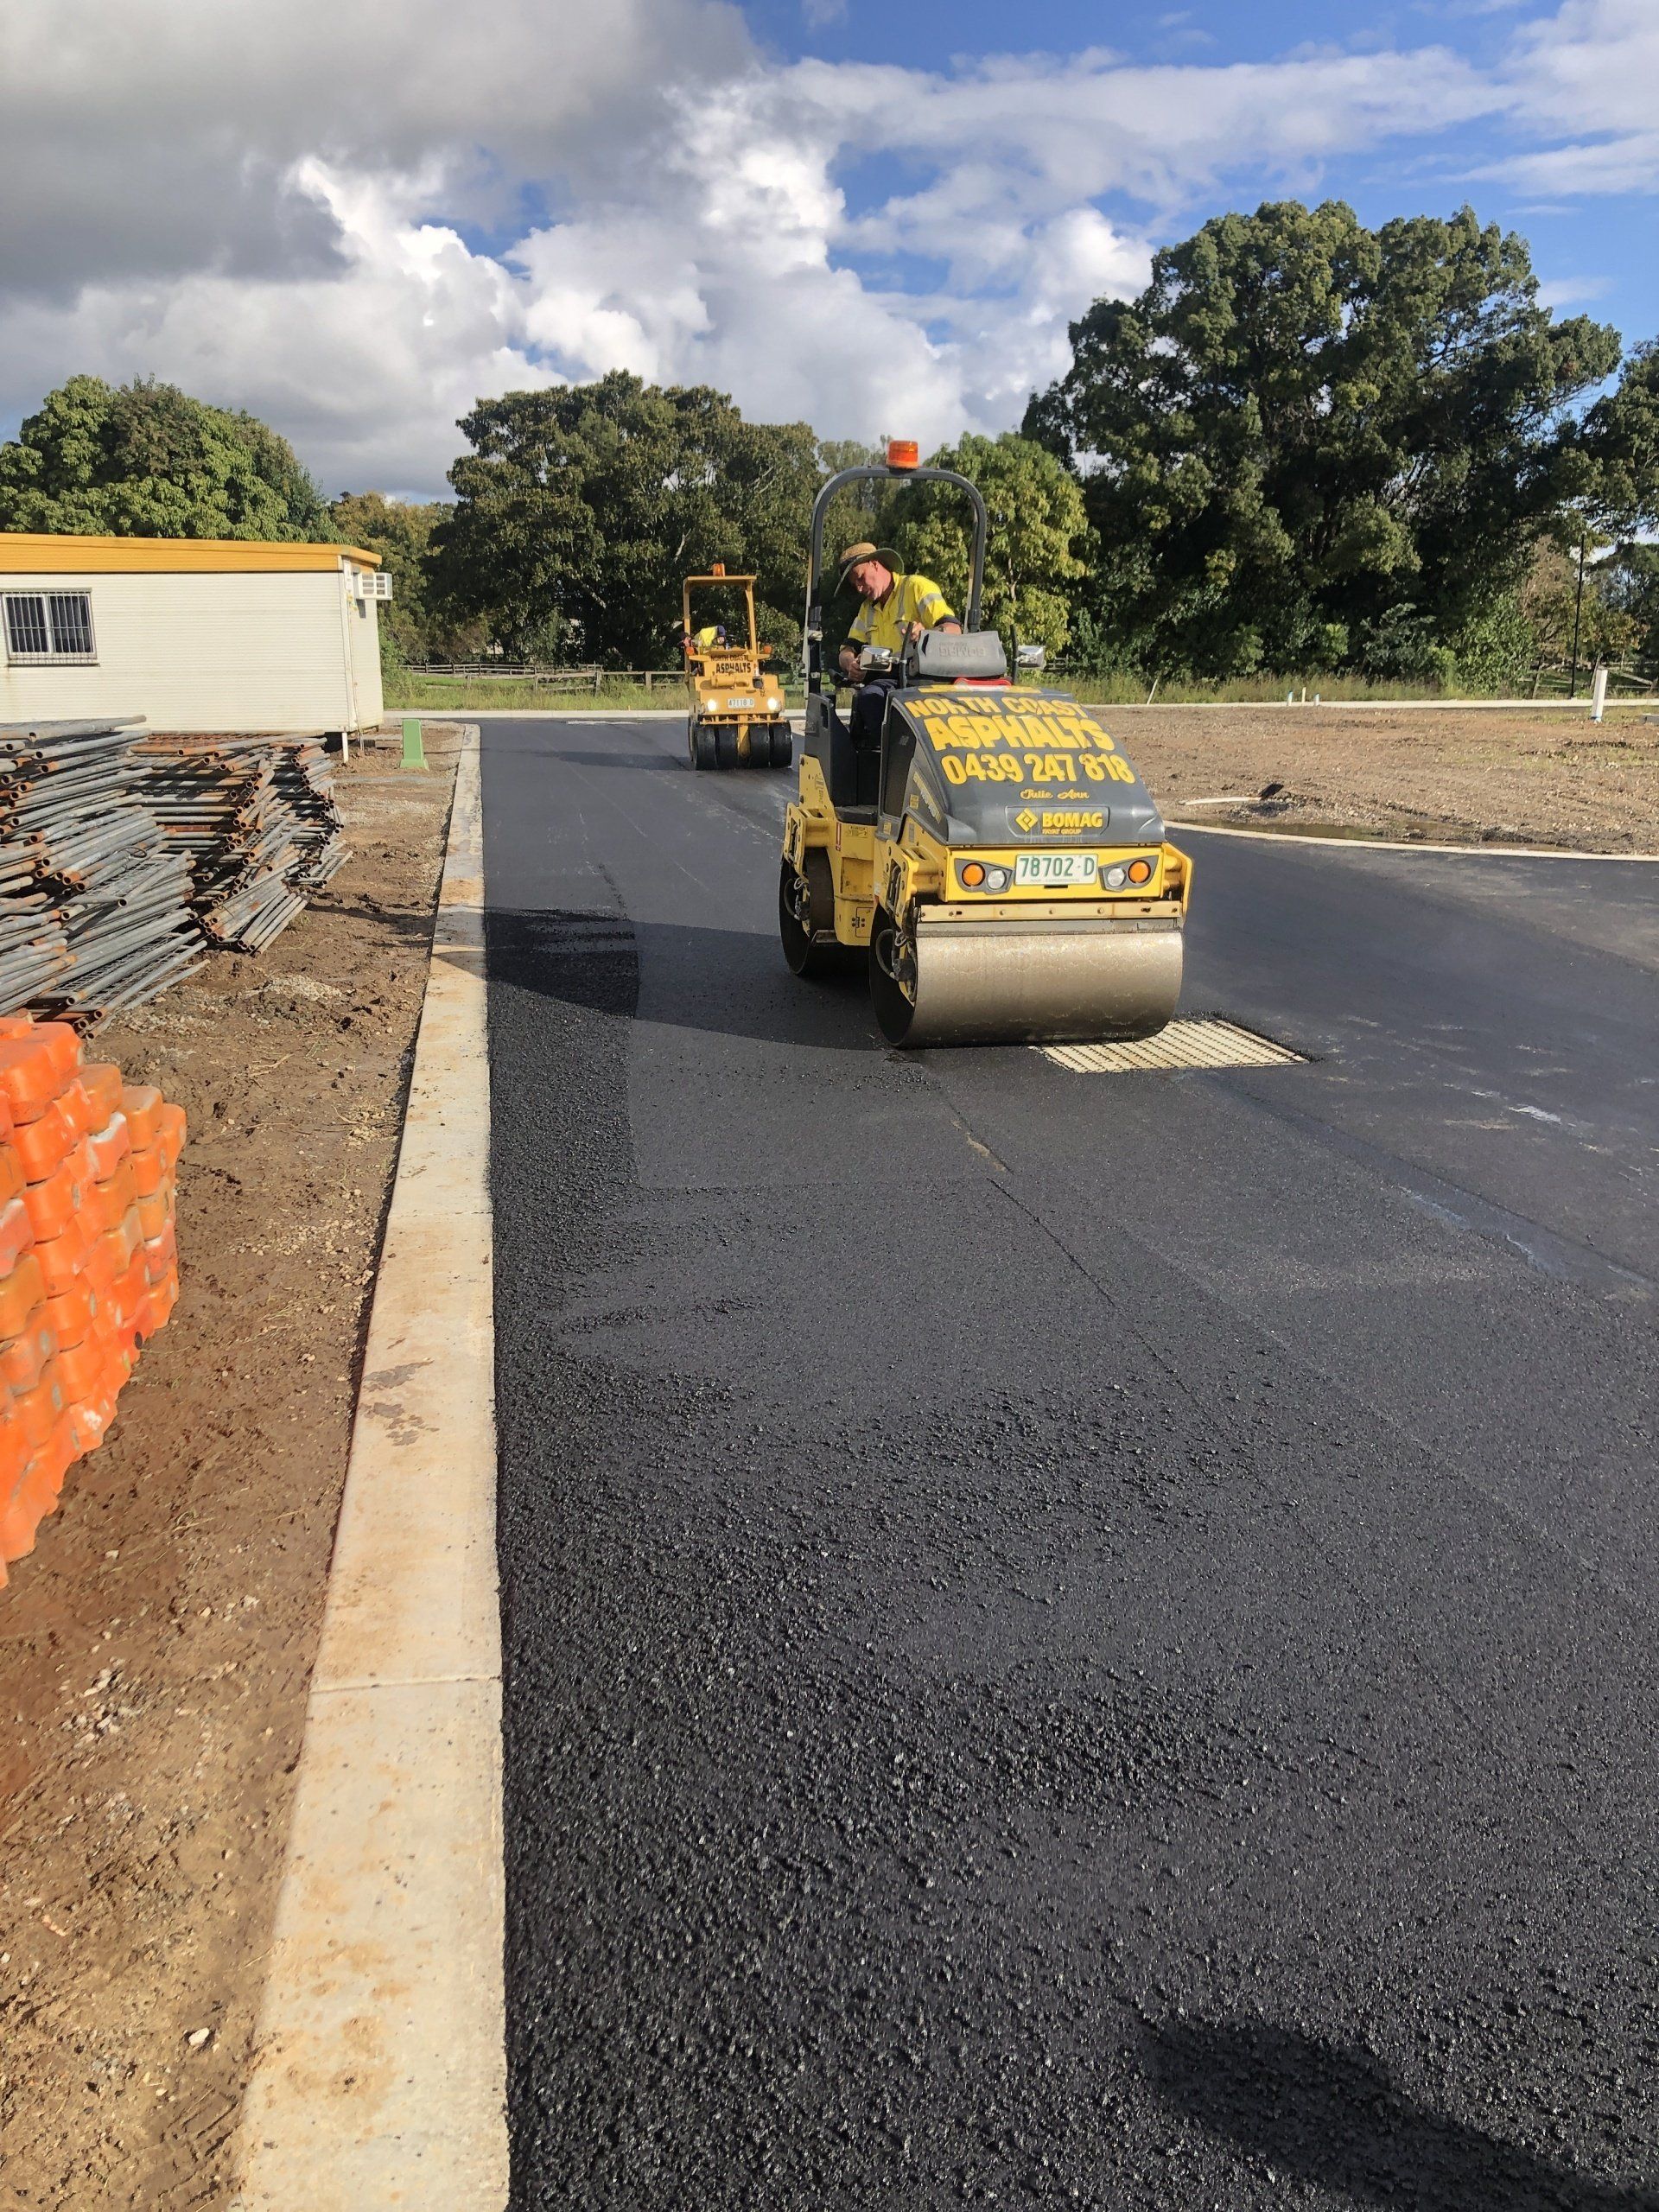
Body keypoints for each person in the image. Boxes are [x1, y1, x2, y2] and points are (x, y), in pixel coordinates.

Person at [836, 543, 959, 745]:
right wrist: (851, 663)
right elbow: (846, 650)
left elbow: (953, 630)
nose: (859, 588)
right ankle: (891, 758)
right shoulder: (867, 610)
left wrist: (926, 634)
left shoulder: (916, 587)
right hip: (887, 681)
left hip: (922, 679)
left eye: (860, 578)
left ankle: (904, 758)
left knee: (876, 699)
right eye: (854, 584)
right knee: (869, 698)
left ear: (875, 564)